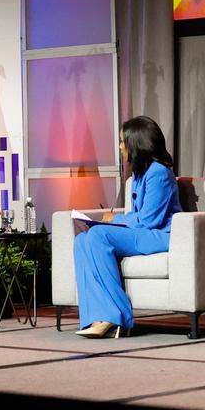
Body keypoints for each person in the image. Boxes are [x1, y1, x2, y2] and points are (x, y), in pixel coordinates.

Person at [73, 115, 183, 338]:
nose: (121, 146)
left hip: (160, 235)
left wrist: (112, 221)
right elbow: (137, 217)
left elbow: (149, 220)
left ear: (136, 143)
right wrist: (113, 220)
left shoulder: (159, 173)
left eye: (123, 141)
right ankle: (96, 316)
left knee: (98, 235)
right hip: (145, 232)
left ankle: (116, 317)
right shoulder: (139, 175)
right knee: (82, 240)